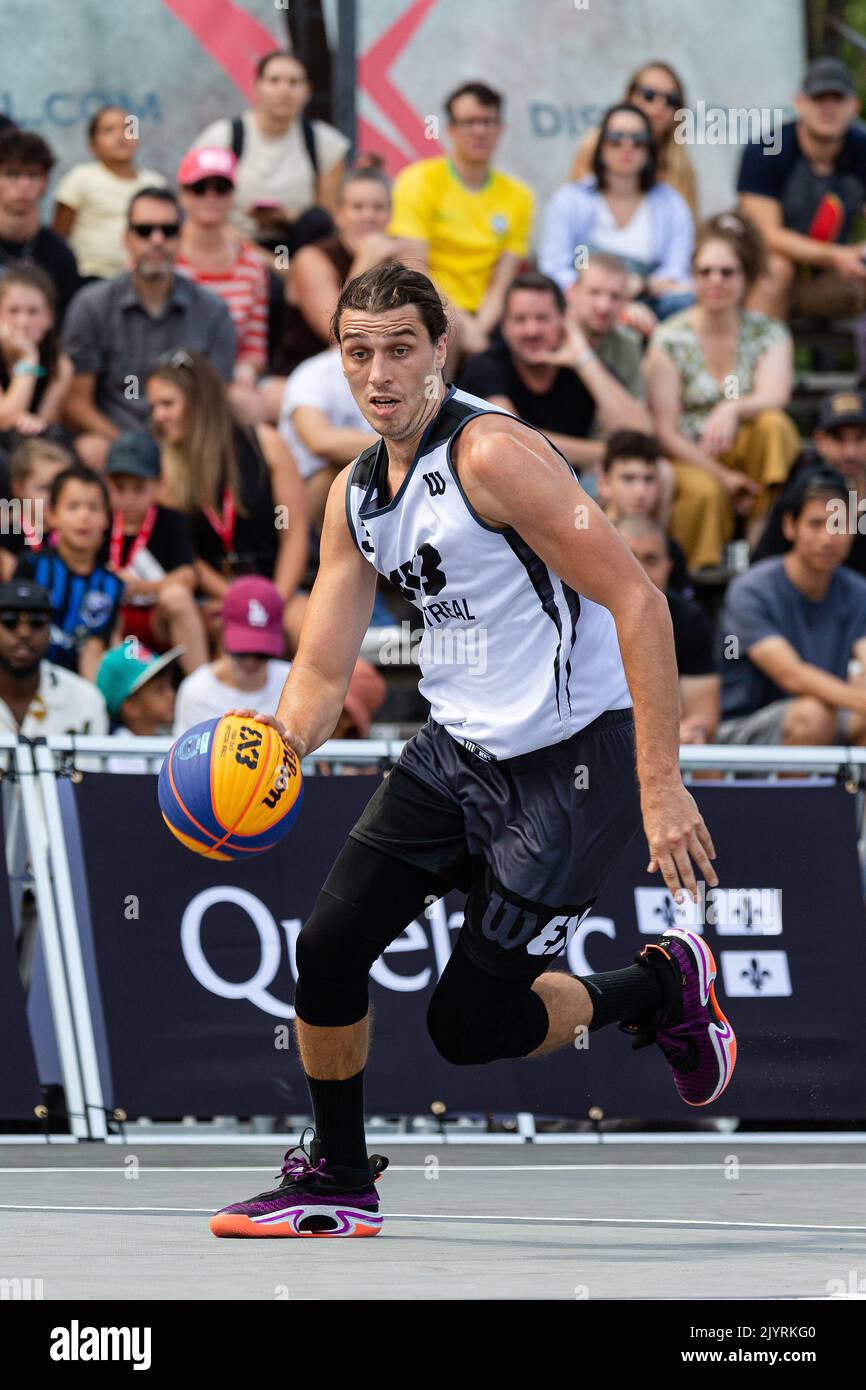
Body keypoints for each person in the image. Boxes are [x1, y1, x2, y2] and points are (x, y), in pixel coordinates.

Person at [209, 261, 734, 1240]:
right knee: (326, 949)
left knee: (467, 1028)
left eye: (400, 349)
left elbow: (638, 599)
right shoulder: (352, 494)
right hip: (452, 752)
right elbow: (321, 672)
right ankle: (336, 1172)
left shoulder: (491, 454)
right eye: (357, 352)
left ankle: (661, 985)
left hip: (568, 764)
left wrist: (658, 781)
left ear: (440, 352)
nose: (379, 373)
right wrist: (272, 751)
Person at [645, 212, 799, 570]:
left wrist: (731, 408)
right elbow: (666, 432)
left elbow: (776, 393)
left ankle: (762, 552)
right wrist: (723, 477)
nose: (715, 281)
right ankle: (695, 587)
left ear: (745, 277)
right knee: (704, 493)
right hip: (691, 454)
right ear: (693, 276)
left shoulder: (768, 333)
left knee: (773, 425)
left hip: (750, 452)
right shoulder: (669, 338)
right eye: (705, 272)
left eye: (727, 272)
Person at [61, 187, 236, 470]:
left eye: (168, 230)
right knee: (90, 449)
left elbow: (217, 398)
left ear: (180, 238)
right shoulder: (91, 304)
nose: (157, 240)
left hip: (189, 440)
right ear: (127, 239)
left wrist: (180, 445)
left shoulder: (213, 310)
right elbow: (76, 404)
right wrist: (131, 448)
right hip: (115, 439)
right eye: (144, 230)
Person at [145, 350, 309, 650]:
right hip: (210, 595)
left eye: (167, 404)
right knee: (224, 632)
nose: (158, 416)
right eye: (154, 406)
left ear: (199, 403)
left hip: (274, 586)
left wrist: (274, 599)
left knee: (314, 634)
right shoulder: (164, 468)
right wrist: (236, 600)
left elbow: (294, 533)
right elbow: (186, 555)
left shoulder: (265, 443)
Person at [717, 467, 866, 745]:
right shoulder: (751, 589)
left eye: (839, 525)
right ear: (789, 526)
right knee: (813, 715)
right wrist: (859, 698)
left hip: (831, 713)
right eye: (815, 524)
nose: (828, 538)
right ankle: (799, 792)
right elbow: (792, 676)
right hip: (744, 728)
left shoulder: (858, 591)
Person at [387, 82, 534, 359]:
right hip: (427, 307)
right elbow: (414, 270)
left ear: (500, 128)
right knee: (446, 336)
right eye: (468, 122)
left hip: (489, 318)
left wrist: (478, 328)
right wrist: (462, 325)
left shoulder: (519, 195)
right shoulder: (418, 180)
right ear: (451, 129)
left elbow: (502, 281)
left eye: (487, 122)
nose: (479, 131)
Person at [458, 271, 650, 477]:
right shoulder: (486, 366)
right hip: (509, 484)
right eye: (520, 319)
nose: (531, 330)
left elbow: (640, 434)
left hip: (574, 485)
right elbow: (516, 439)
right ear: (504, 326)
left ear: (563, 319)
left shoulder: (582, 365)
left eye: (542, 318)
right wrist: (605, 452)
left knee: (653, 475)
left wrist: (583, 358)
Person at [538, 103, 693, 321]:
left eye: (638, 140)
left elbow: (676, 273)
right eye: (616, 138)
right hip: (581, 303)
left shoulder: (671, 204)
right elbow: (555, 268)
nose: (627, 146)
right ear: (601, 146)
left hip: (648, 302)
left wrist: (640, 286)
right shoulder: (571, 200)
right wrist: (606, 301)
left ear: (650, 150)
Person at [738, 58, 866, 321]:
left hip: (825, 279)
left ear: (854, 106)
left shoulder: (861, 149)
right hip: (761, 272)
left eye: (837, 99)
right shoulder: (767, 149)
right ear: (800, 103)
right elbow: (767, 235)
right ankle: (755, 356)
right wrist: (837, 255)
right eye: (819, 98)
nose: (828, 108)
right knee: (777, 268)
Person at [191, 50, 350, 253]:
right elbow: (194, 201)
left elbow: (330, 217)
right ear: (256, 87)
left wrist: (287, 219)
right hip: (236, 245)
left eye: (294, 82)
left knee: (316, 220)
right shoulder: (222, 137)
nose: (284, 91)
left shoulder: (326, 143)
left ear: (308, 90)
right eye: (274, 81)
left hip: (299, 250)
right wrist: (255, 253)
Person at [271, 166, 396, 385]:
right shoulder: (312, 257)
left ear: (390, 215)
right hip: (303, 379)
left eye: (378, 208)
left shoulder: (397, 257)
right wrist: (366, 261)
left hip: (378, 378)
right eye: (357, 207)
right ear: (338, 214)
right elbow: (340, 332)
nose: (368, 216)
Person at [174, 147, 268, 420]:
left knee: (259, 402)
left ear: (233, 195)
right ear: (183, 195)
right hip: (170, 374)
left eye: (221, 188)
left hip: (229, 377)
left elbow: (253, 347)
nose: (211, 196)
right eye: (200, 188)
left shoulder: (251, 264)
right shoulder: (161, 252)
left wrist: (244, 375)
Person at [103, 430, 207, 675]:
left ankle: (201, 684)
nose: (128, 498)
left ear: (158, 484)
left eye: (138, 489)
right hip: (112, 619)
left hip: (154, 618)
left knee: (178, 597)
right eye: (119, 488)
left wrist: (142, 589)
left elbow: (187, 576)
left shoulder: (171, 521)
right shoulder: (100, 521)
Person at [13, 463, 124, 679]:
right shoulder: (32, 565)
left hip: (80, 688)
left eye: (94, 508)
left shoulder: (112, 585)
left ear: (106, 519)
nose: (84, 517)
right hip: (25, 678)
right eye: (73, 507)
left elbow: (98, 650)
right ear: (52, 515)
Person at [615, 516, 719, 744]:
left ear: (668, 567)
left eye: (650, 559)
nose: (640, 570)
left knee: (702, 755)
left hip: (675, 741)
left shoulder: (690, 619)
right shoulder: (586, 614)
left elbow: (704, 720)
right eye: (629, 557)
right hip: (605, 744)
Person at [752, 389, 866, 574]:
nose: (850, 452)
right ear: (819, 440)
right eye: (838, 438)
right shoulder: (797, 495)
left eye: (861, 437)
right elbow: (764, 570)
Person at [569, 61, 699, 221]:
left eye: (671, 100)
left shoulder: (680, 164)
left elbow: (686, 229)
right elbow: (573, 211)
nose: (659, 105)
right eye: (649, 95)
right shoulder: (597, 145)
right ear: (630, 96)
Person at [51, 105, 167, 282]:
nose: (121, 137)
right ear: (93, 146)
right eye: (109, 130)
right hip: (91, 278)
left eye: (128, 129)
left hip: (145, 279)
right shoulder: (79, 179)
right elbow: (58, 237)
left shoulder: (155, 183)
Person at [276, 346, 376, 534]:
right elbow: (320, 442)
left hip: (371, 486)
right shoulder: (314, 373)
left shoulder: (396, 373)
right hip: (306, 491)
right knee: (343, 473)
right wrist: (403, 443)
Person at [173, 575, 290, 732]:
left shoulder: (293, 682)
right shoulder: (195, 691)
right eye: (241, 652)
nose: (251, 661)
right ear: (220, 630)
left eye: (262, 653)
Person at [0, 578, 108, 737]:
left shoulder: (85, 699)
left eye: (36, 623)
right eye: (10, 622)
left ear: (50, 630)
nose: (24, 633)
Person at [0, 128, 80, 324]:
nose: (23, 185)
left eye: (33, 175)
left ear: (45, 182)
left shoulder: (60, 254)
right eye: (12, 174)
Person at [598, 431, 689, 591]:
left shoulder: (671, 548)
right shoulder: (587, 540)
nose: (640, 491)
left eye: (649, 479)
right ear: (605, 484)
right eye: (628, 478)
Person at [0, 266, 74, 448]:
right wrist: (28, 359)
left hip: (32, 446)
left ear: (49, 317)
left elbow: (44, 425)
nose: (23, 322)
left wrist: (32, 422)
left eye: (33, 312)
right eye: (13, 311)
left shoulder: (60, 365)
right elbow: (5, 420)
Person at [0, 437, 72, 579]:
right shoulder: (8, 532)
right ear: (18, 488)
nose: (53, 496)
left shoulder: (74, 530)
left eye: (59, 487)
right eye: (44, 488)